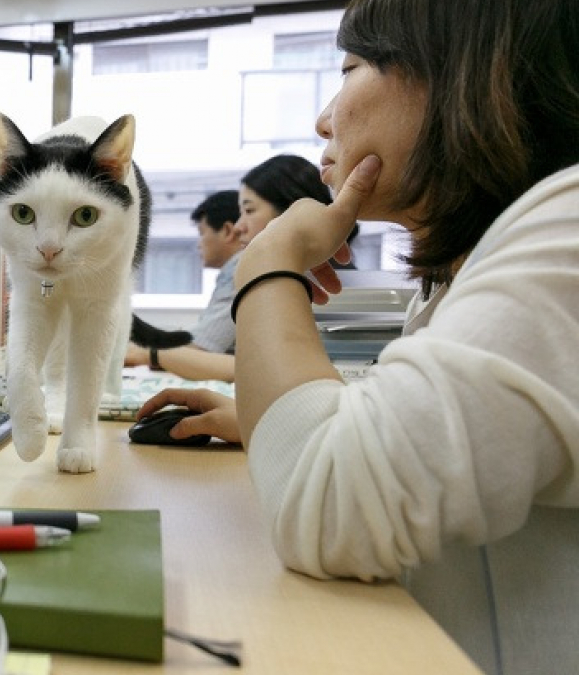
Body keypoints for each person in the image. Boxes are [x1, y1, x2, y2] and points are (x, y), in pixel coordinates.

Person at [139, 0, 579, 671]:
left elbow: (325, 510)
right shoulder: (472, 271)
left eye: (349, 68)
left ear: (453, 72)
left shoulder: (568, 231)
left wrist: (269, 264)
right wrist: (271, 417)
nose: (323, 119)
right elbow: (404, 426)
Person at [127, 155, 330, 382]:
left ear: (292, 213)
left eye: (249, 211)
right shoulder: (289, 274)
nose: (239, 227)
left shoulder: (256, 271)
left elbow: (216, 354)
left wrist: (148, 353)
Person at [124, 190, 239, 375]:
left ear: (227, 231)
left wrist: (144, 352)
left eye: (202, 233)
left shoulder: (238, 267)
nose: (198, 244)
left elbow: (203, 347)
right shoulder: (234, 269)